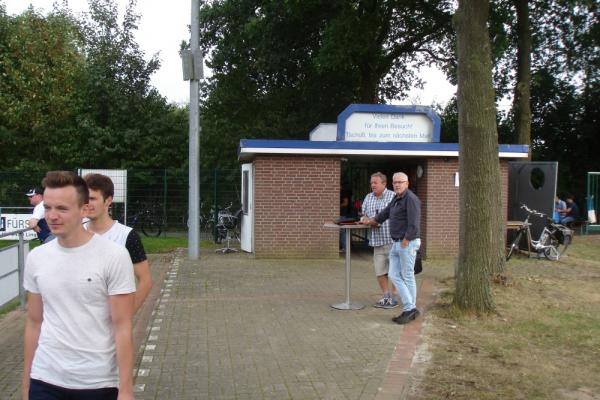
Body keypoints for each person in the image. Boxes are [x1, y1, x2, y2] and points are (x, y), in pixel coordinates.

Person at [23, 171, 136, 400]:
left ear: (84, 210)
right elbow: (34, 322)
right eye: (48, 208)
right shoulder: (37, 257)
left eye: (62, 209)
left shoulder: (113, 256)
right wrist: (26, 384)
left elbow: (122, 327)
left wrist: (125, 390)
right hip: (45, 378)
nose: (52, 216)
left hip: (97, 382)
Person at [84, 173, 153, 313]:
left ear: (108, 200)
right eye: (84, 198)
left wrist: (127, 313)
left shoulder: (127, 236)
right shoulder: (75, 234)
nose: (87, 203)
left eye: (92, 198)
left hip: (110, 325)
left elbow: (145, 280)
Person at [361, 172, 421, 325]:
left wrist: (406, 240)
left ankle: (410, 309)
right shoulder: (396, 198)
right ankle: (411, 308)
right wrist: (372, 220)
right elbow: (386, 213)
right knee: (395, 275)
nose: (397, 185)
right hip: (396, 243)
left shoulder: (411, 199)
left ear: (407, 183)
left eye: (400, 182)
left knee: (407, 276)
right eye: (395, 182)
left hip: (406, 242)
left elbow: (414, 223)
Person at [361, 172, 397, 309]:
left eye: (375, 183)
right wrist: (364, 219)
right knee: (380, 271)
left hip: (392, 240)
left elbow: (397, 216)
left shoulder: (393, 196)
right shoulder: (368, 197)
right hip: (376, 241)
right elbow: (363, 214)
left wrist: (376, 221)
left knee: (394, 272)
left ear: (384, 183)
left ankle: (394, 297)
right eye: (371, 183)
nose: (372, 185)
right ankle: (386, 296)